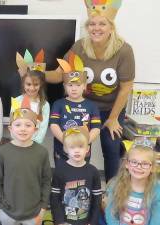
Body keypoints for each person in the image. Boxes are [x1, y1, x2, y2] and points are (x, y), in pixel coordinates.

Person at [45, 0, 135, 181]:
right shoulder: (79, 47)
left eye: (102, 24)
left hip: (112, 108)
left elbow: (126, 87)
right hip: (84, 107)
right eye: (92, 24)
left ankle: (111, 192)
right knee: (75, 147)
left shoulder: (123, 50)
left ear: (111, 27)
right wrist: (35, 72)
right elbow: (59, 75)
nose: (96, 28)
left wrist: (112, 119)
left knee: (111, 147)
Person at [0, 107, 51, 225]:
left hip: (34, 214)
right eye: (18, 125)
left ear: (35, 130)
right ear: (10, 129)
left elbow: (46, 181)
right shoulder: (2, 152)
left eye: (28, 125)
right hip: (7, 213)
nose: (23, 129)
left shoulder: (42, 152)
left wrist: (43, 209)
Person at [50, 53, 101, 164]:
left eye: (78, 85)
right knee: (62, 175)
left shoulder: (92, 106)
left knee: (81, 176)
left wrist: (84, 142)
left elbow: (96, 128)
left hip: (83, 151)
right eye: (70, 85)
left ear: (84, 86)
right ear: (64, 86)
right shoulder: (58, 104)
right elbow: (54, 125)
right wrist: (66, 141)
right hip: (62, 149)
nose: (74, 89)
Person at [50, 126, 102, 225]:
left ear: (87, 148)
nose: (77, 150)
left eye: (80, 146)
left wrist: (92, 222)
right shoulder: (59, 170)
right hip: (65, 221)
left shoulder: (93, 172)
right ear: (65, 149)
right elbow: (54, 199)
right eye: (72, 147)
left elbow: (97, 201)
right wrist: (60, 222)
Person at [104, 138, 160, 225]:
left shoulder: (156, 190)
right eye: (134, 162)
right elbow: (110, 214)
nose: (139, 166)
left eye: (145, 163)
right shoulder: (115, 185)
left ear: (152, 167)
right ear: (126, 164)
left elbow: (156, 219)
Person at [12, 49, 50, 144]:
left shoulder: (44, 105)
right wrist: (18, 141)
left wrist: (34, 144)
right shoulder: (16, 101)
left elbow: (43, 128)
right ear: (23, 84)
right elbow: (12, 123)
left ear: (41, 84)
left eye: (36, 84)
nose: (32, 88)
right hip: (17, 143)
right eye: (28, 84)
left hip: (35, 146)